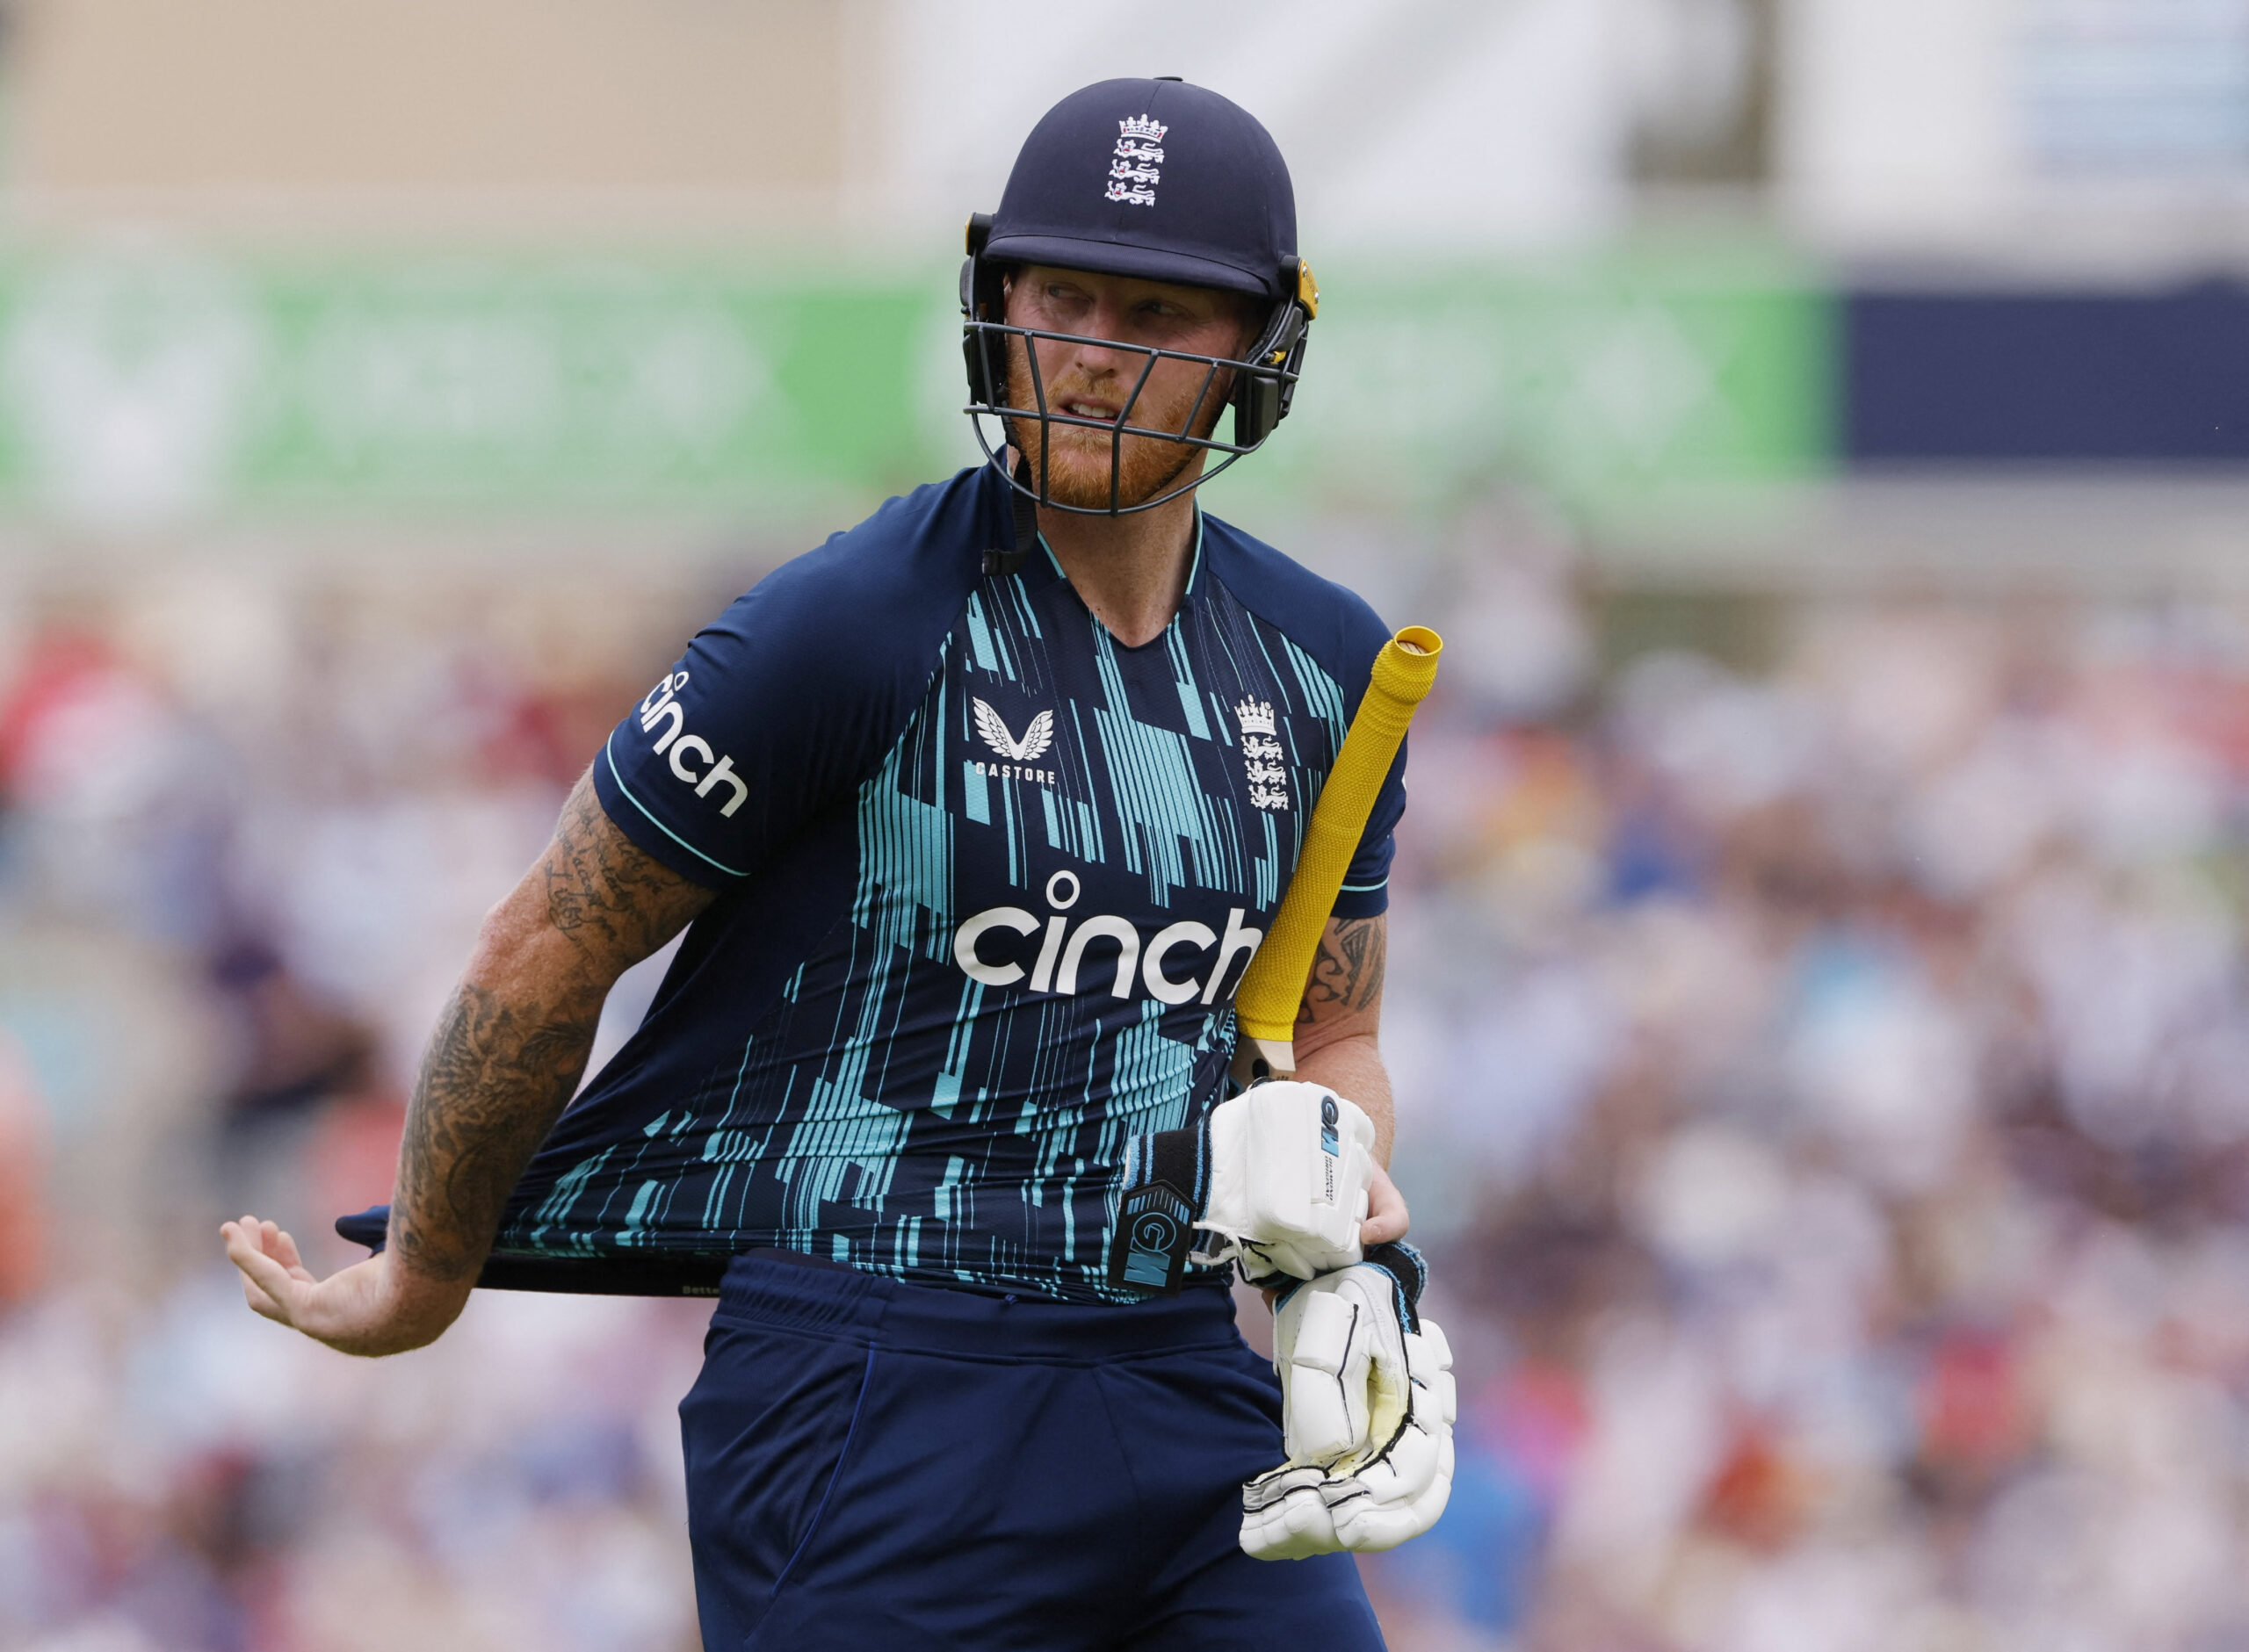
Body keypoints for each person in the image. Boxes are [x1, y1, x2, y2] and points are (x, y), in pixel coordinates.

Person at [221, 77, 1446, 1649]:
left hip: (1180, 1365)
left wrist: (1338, 1197)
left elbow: (1335, 1030)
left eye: (1155, 311)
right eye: (1060, 296)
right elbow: (547, 940)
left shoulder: (1328, 663)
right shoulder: (855, 618)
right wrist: (428, 1269)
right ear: (998, 302)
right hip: (875, 1379)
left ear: (1258, 348)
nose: (1090, 350)